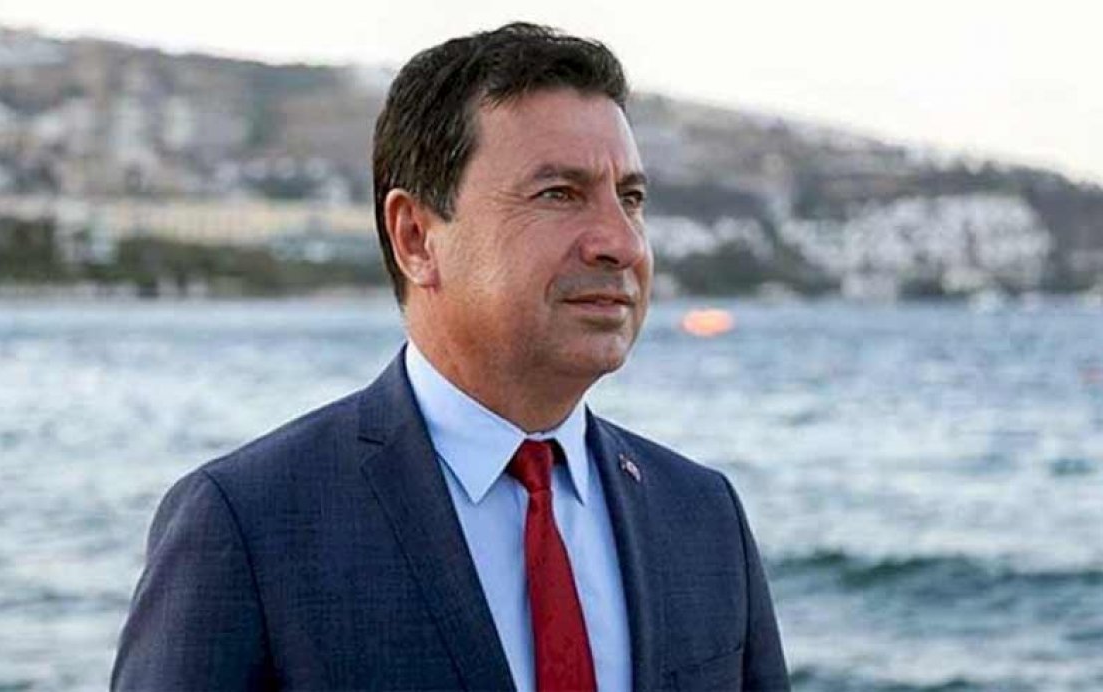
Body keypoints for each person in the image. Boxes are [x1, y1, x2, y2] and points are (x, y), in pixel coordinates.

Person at [112, 22, 789, 691]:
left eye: (631, 199)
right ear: (416, 237)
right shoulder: (248, 524)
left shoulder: (704, 516)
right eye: (559, 194)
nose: (621, 242)